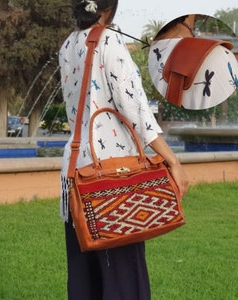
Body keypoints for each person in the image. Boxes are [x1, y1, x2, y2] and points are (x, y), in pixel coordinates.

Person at [59, 1, 189, 299]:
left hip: (76, 177)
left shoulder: (67, 45)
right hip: (114, 181)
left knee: (85, 280)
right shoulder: (110, 41)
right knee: (123, 281)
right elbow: (136, 110)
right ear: (111, 6)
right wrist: (172, 161)